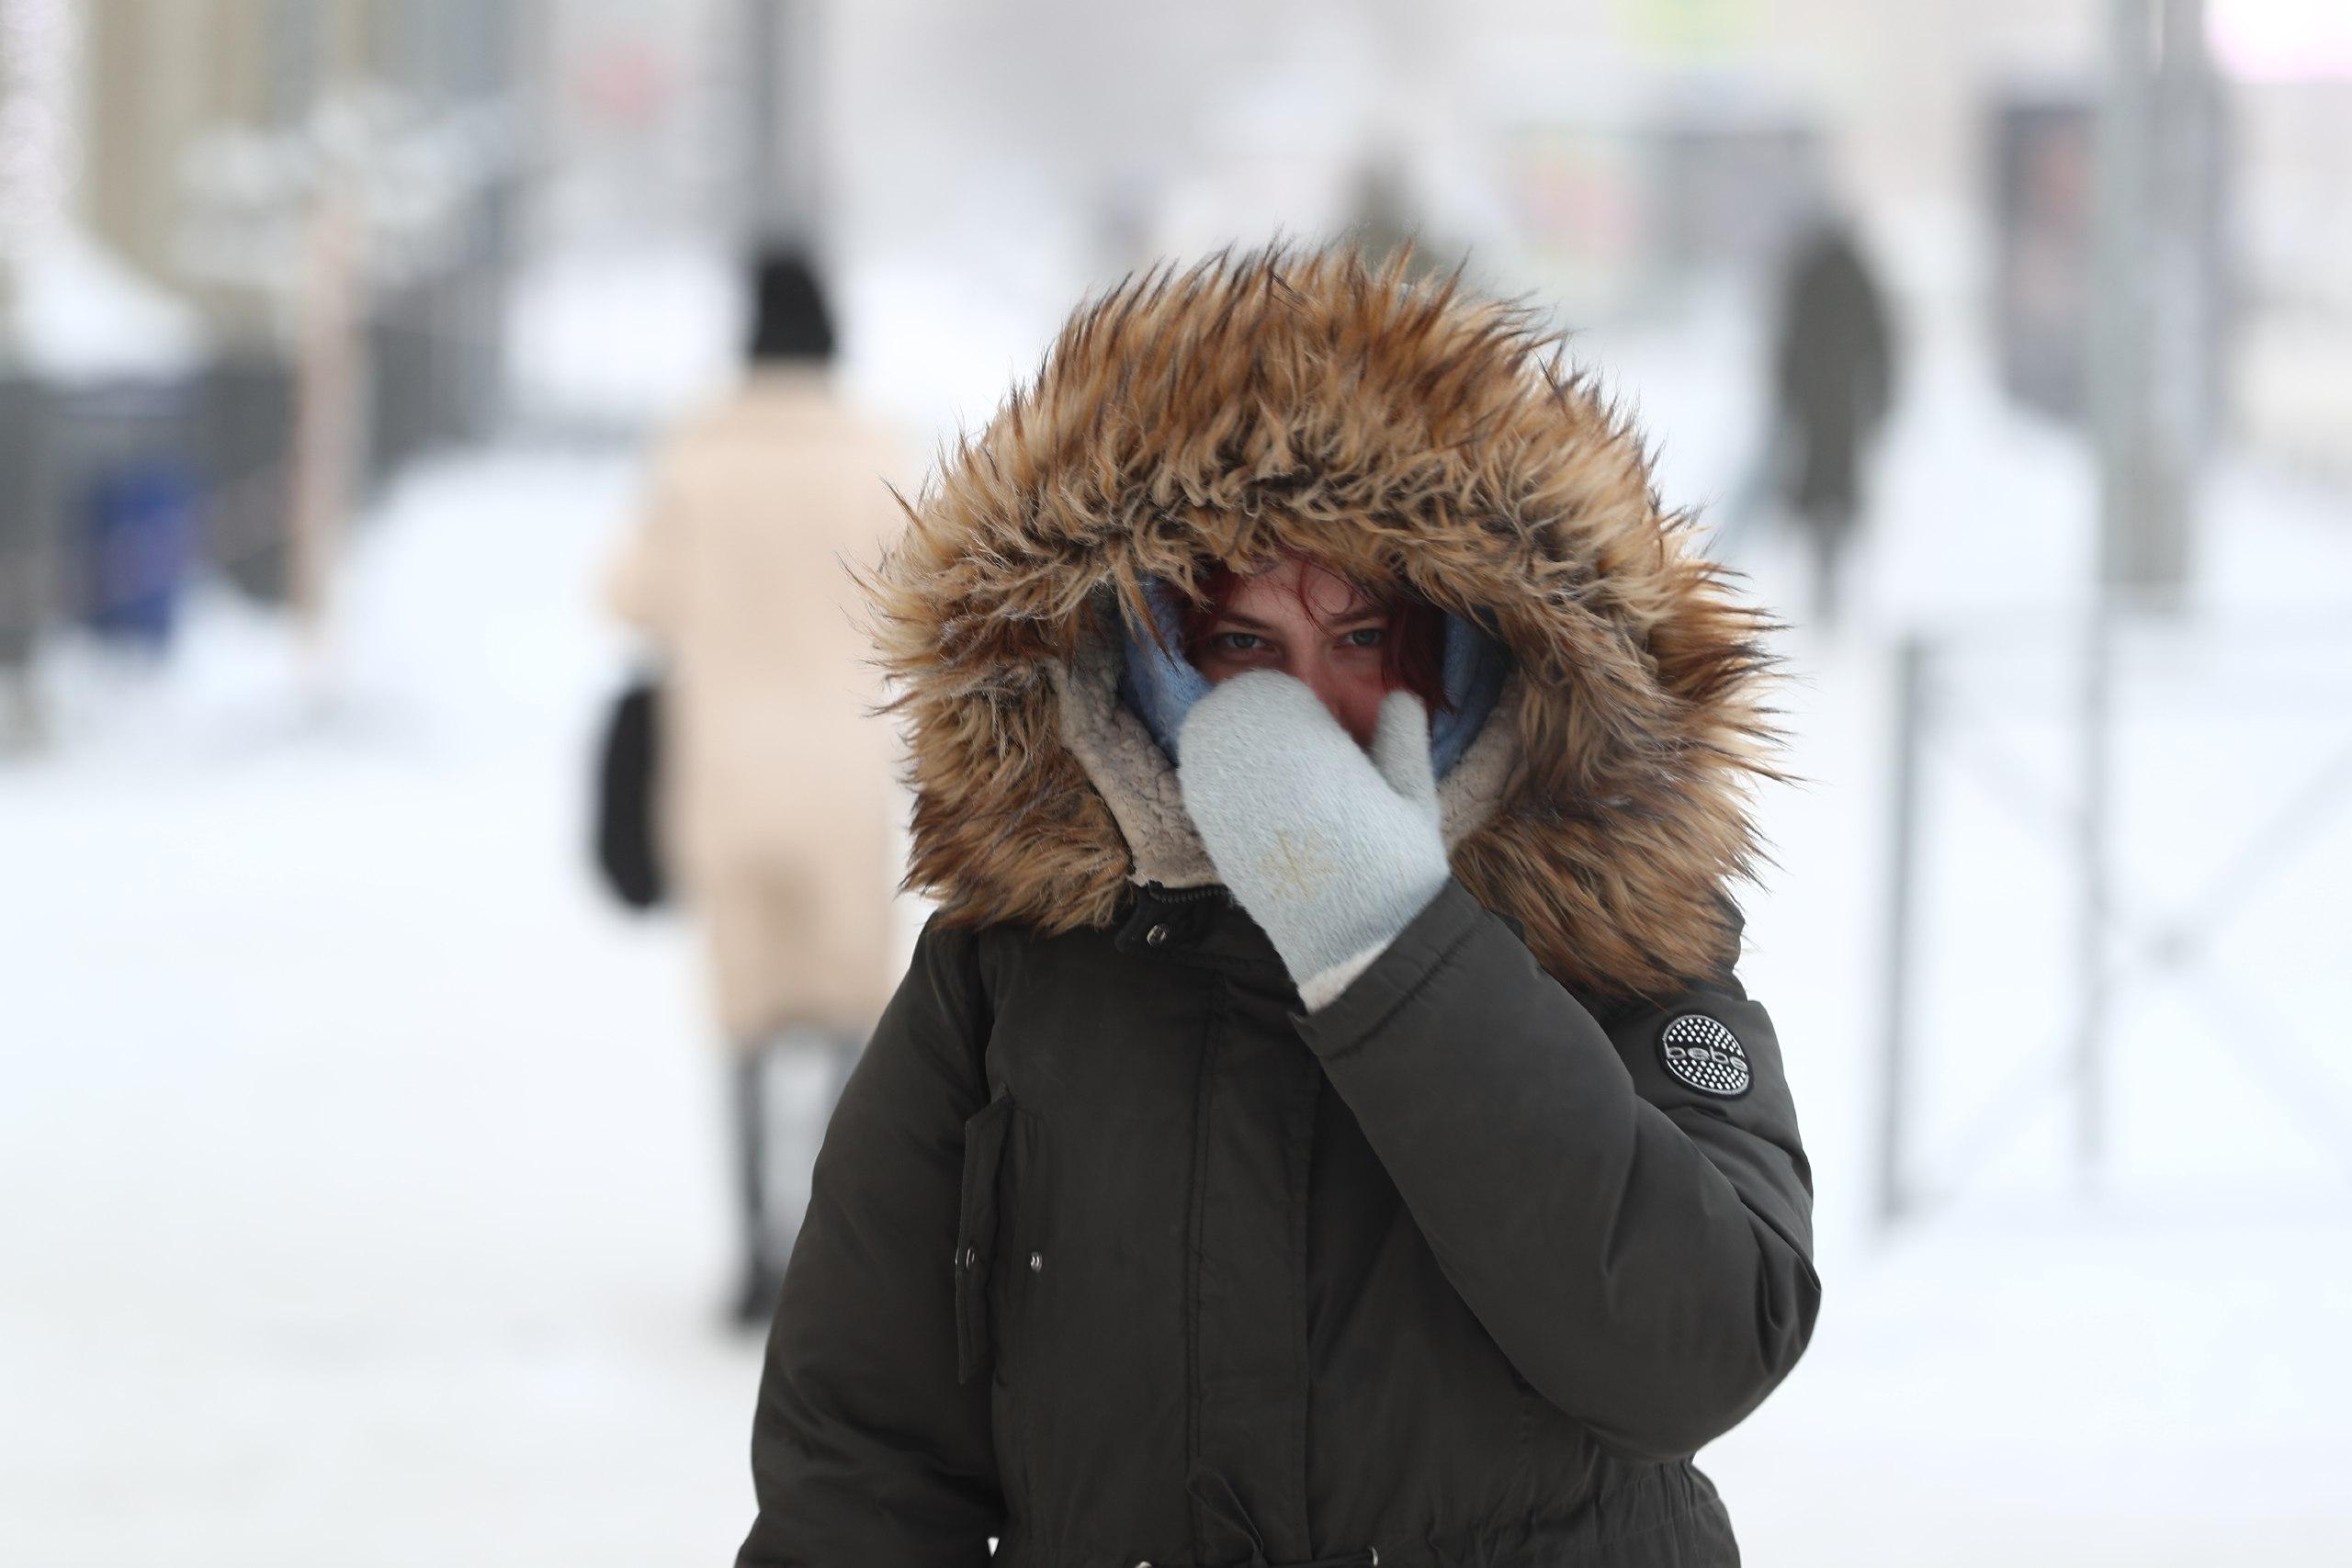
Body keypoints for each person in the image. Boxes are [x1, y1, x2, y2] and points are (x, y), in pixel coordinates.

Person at [737, 242, 1819, 1567]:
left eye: (1362, 639)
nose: (1306, 700)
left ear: (1466, 645)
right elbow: (859, 1463)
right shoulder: (1015, 964)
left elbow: (1694, 1346)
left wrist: (1385, 936)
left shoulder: (1606, 922)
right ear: (1140, 653)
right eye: (1243, 645)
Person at [605, 248, 910, 1328]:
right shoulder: (873, 452)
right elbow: (922, 606)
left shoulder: (695, 453)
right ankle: (828, 1247)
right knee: (841, 1017)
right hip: (841, 780)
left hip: (723, 773)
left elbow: (631, 598)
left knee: (742, 1016)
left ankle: (749, 1253)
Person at [1766, 207, 1897, 632]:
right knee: (1831, 498)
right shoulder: (1856, 275)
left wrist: (1785, 397)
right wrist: (1880, 402)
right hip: (1840, 410)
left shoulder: (1812, 274)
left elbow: (1786, 345)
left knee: (1821, 495)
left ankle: (1826, 584)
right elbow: (1884, 346)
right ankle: (1826, 582)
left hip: (1820, 408)